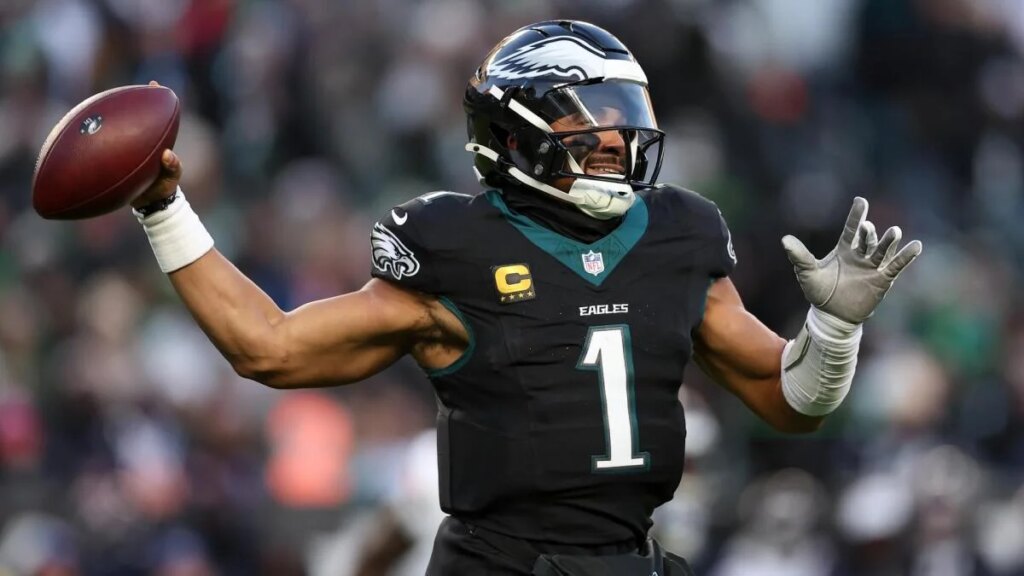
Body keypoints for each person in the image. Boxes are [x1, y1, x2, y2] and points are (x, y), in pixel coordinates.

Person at [129, 20, 922, 576]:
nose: (619, 137)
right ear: (515, 134)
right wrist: (164, 208)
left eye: (627, 115)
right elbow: (268, 346)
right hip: (500, 565)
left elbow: (792, 402)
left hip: (629, 563)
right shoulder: (456, 249)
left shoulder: (677, 235)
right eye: (595, 117)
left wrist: (834, 326)